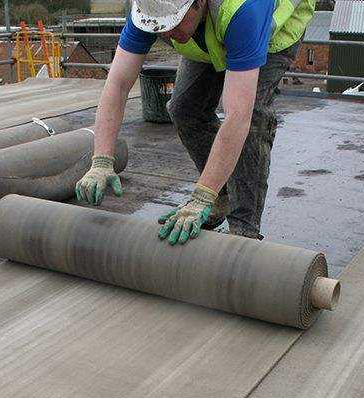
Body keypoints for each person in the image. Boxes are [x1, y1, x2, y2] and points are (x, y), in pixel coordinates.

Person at [75, 0, 314, 244]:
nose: (166, 34)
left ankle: (244, 229)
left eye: (173, 23)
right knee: (184, 108)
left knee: (251, 118)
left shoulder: (242, 11)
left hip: (271, 32)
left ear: (199, 3)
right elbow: (118, 84)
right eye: (160, 27)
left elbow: (237, 117)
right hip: (211, 31)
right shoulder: (150, 8)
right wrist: (102, 160)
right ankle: (220, 197)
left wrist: (201, 195)